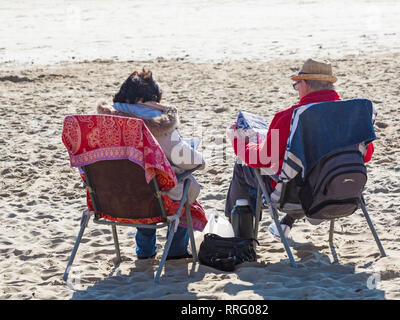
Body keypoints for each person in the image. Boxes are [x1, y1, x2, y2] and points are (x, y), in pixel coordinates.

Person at [225, 58, 374, 237]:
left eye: (296, 85)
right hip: (343, 186)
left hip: (297, 194)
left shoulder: (291, 116)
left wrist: (239, 142)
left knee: (242, 165)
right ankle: (287, 222)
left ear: (303, 84)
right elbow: (366, 155)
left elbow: (263, 158)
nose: (297, 90)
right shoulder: (352, 114)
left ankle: (238, 235)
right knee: (305, 164)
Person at [97, 69, 205, 259]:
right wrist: (200, 161)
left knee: (142, 183)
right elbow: (186, 160)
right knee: (186, 189)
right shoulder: (155, 124)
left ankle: (145, 251)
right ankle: (176, 251)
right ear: (144, 99)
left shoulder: (103, 120)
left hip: (111, 196)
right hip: (152, 198)